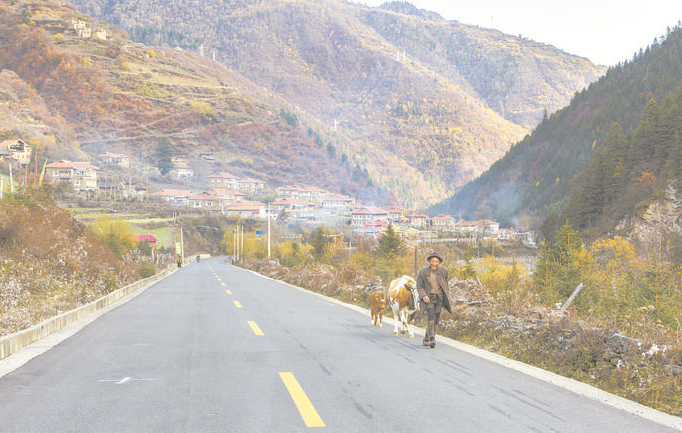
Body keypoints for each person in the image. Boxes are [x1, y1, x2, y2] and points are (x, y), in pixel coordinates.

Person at [416, 252, 452, 348]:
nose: (434, 263)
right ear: (429, 261)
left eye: (436, 261)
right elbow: (419, 286)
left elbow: (446, 285)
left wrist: (446, 296)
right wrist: (424, 296)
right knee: (431, 317)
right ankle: (432, 338)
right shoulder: (423, 272)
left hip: (439, 298)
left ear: (439, 263)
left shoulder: (444, 272)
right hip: (428, 298)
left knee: (436, 319)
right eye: (432, 261)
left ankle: (426, 339)